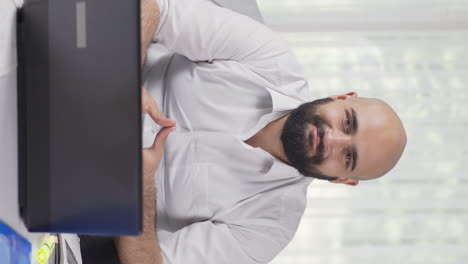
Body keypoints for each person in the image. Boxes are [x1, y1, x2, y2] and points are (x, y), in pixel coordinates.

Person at [115, 0, 407, 263]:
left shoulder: (269, 228)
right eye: (347, 123)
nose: (331, 138)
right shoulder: (270, 58)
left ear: (343, 179)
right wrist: (122, 78)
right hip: (90, 84)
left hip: (95, 197)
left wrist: (139, 187)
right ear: (342, 97)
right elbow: (156, 9)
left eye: (347, 156)